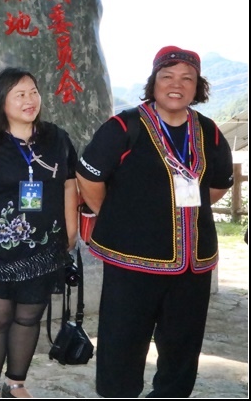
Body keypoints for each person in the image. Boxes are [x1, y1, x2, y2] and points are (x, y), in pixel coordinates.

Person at [76, 46, 233, 398]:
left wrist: (179, 213)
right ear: (154, 82)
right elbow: (89, 179)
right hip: (132, 261)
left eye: (187, 78)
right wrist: (118, 215)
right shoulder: (123, 126)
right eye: (167, 76)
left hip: (193, 263)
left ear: (197, 87)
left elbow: (218, 186)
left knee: (182, 346)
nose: (176, 85)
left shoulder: (209, 132)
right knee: (122, 342)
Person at [0, 67, 78, 398]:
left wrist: (71, 229)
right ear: (0, 101)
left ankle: (16, 383)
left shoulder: (56, 138)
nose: (29, 100)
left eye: (33, 92)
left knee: (29, 315)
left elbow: (68, 184)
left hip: (45, 246)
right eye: (19, 94)